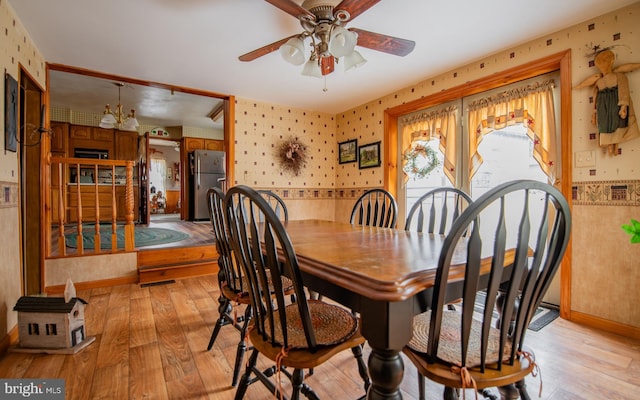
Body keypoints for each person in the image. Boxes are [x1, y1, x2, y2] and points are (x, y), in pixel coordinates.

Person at [575, 49, 640, 155]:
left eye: (604, 63)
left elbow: (624, 90)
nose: (602, 67)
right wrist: (594, 112)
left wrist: (623, 106)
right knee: (605, 125)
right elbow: (595, 97)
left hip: (615, 105)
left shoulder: (619, 76)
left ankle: (616, 144)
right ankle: (609, 144)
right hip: (603, 108)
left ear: (611, 61)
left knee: (617, 123)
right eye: (600, 65)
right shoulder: (599, 81)